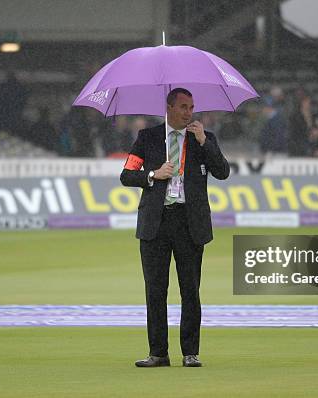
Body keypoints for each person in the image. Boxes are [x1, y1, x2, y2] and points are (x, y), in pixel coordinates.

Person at [120, 88, 230, 368]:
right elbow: (126, 174)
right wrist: (152, 175)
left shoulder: (202, 139)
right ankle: (158, 353)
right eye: (183, 106)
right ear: (169, 107)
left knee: (190, 290)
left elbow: (223, 171)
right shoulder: (147, 138)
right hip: (155, 223)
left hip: (189, 222)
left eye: (192, 106)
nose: (189, 112)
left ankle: (190, 353)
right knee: (155, 290)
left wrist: (205, 141)